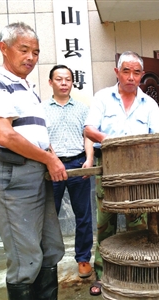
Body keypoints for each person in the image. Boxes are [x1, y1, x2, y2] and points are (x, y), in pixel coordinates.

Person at [0, 22, 67, 300]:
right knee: (25, 256)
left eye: (36, 52)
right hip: (14, 174)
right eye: (24, 49)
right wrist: (49, 160)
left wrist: (51, 158)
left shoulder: (29, 88)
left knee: (50, 248)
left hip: (38, 172)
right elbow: (5, 136)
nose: (31, 57)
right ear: (4, 48)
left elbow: (38, 134)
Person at [84, 51, 159, 296]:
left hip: (139, 170)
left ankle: (137, 272)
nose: (131, 77)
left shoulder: (149, 103)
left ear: (142, 75)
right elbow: (89, 129)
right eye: (126, 71)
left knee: (138, 223)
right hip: (108, 166)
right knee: (105, 224)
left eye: (136, 72)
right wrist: (108, 140)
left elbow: (158, 137)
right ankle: (102, 274)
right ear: (117, 72)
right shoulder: (102, 98)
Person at [43, 65, 94, 279]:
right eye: (59, 79)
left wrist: (90, 159)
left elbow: (88, 135)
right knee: (48, 216)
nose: (64, 83)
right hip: (51, 167)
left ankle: (83, 259)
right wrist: (52, 160)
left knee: (83, 215)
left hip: (78, 164)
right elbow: (41, 139)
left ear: (72, 82)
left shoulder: (82, 108)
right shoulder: (42, 109)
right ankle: (49, 261)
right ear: (50, 82)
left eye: (67, 79)